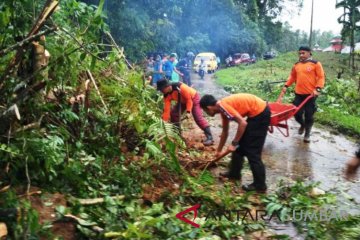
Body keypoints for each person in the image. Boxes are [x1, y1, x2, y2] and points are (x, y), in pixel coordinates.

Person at [200, 93, 270, 192]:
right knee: (239, 149)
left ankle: (260, 185)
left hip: (260, 114)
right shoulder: (222, 109)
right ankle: (234, 174)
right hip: (255, 114)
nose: (205, 112)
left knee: (253, 152)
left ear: (208, 107)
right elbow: (225, 131)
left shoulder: (223, 106)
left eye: (204, 110)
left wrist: (234, 143)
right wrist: (219, 150)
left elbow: (242, 123)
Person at [282, 46, 325, 143]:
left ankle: (307, 134)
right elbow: (292, 77)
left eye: (303, 53)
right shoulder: (296, 65)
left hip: (311, 95)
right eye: (300, 53)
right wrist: (286, 85)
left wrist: (318, 88)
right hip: (299, 94)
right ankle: (302, 125)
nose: (301, 55)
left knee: (309, 115)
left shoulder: (316, 64)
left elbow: (321, 77)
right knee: (296, 114)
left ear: (309, 53)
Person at [157, 79, 214, 146]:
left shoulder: (181, 87)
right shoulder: (166, 95)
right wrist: (164, 122)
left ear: (167, 86)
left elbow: (189, 100)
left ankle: (210, 137)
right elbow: (166, 110)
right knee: (174, 114)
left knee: (197, 117)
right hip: (182, 101)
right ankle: (178, 135)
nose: (161, 91)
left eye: (161, 89)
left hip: (193, 98)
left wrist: (188, 112)